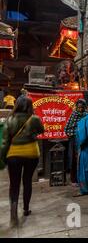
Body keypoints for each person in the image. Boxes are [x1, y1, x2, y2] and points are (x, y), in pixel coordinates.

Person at [0, 97, 44, 226]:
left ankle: (13, 210)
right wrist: (32, 133)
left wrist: (2, 157)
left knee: (14, 184)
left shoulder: (10, 119)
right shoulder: (34, 119)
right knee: (27, 181)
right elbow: (42, 130)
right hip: (31, 153)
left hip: (13, 155)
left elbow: (5, 141)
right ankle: (25, 209)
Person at [64, 99, 87, 185]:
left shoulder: (86, 115)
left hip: (83, 140)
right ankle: (74, 179)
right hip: (73, 140)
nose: (80, 109)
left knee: (81, 159)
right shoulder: (73, 114)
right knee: (73, 158)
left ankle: (81, 178)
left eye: (82, 108)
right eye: (78, 108)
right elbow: (67, 128)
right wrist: (75, 133)